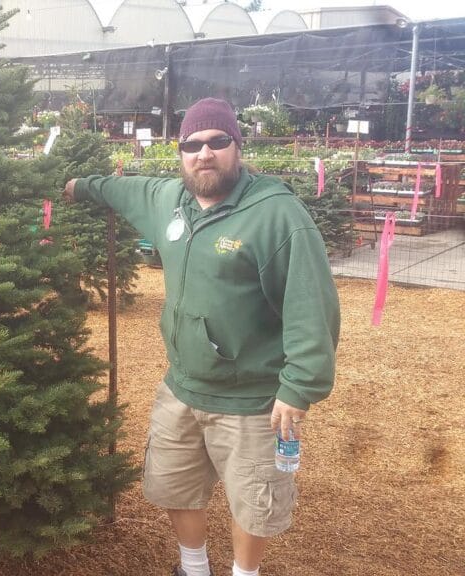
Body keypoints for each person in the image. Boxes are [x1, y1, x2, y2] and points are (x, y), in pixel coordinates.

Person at [63, 98, 340, 576]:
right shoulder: (169, 199)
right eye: (192, 144)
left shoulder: (276, 215)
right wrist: (76, 187)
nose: (204, 153)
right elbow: (119, 189)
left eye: (217, 141)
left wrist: (299, 387)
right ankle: (193, 567)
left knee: (254, 501)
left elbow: (310, 305)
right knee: (175, 485)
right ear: (180, 152)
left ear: (238, 146)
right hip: (181, 387)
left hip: (252, 400)